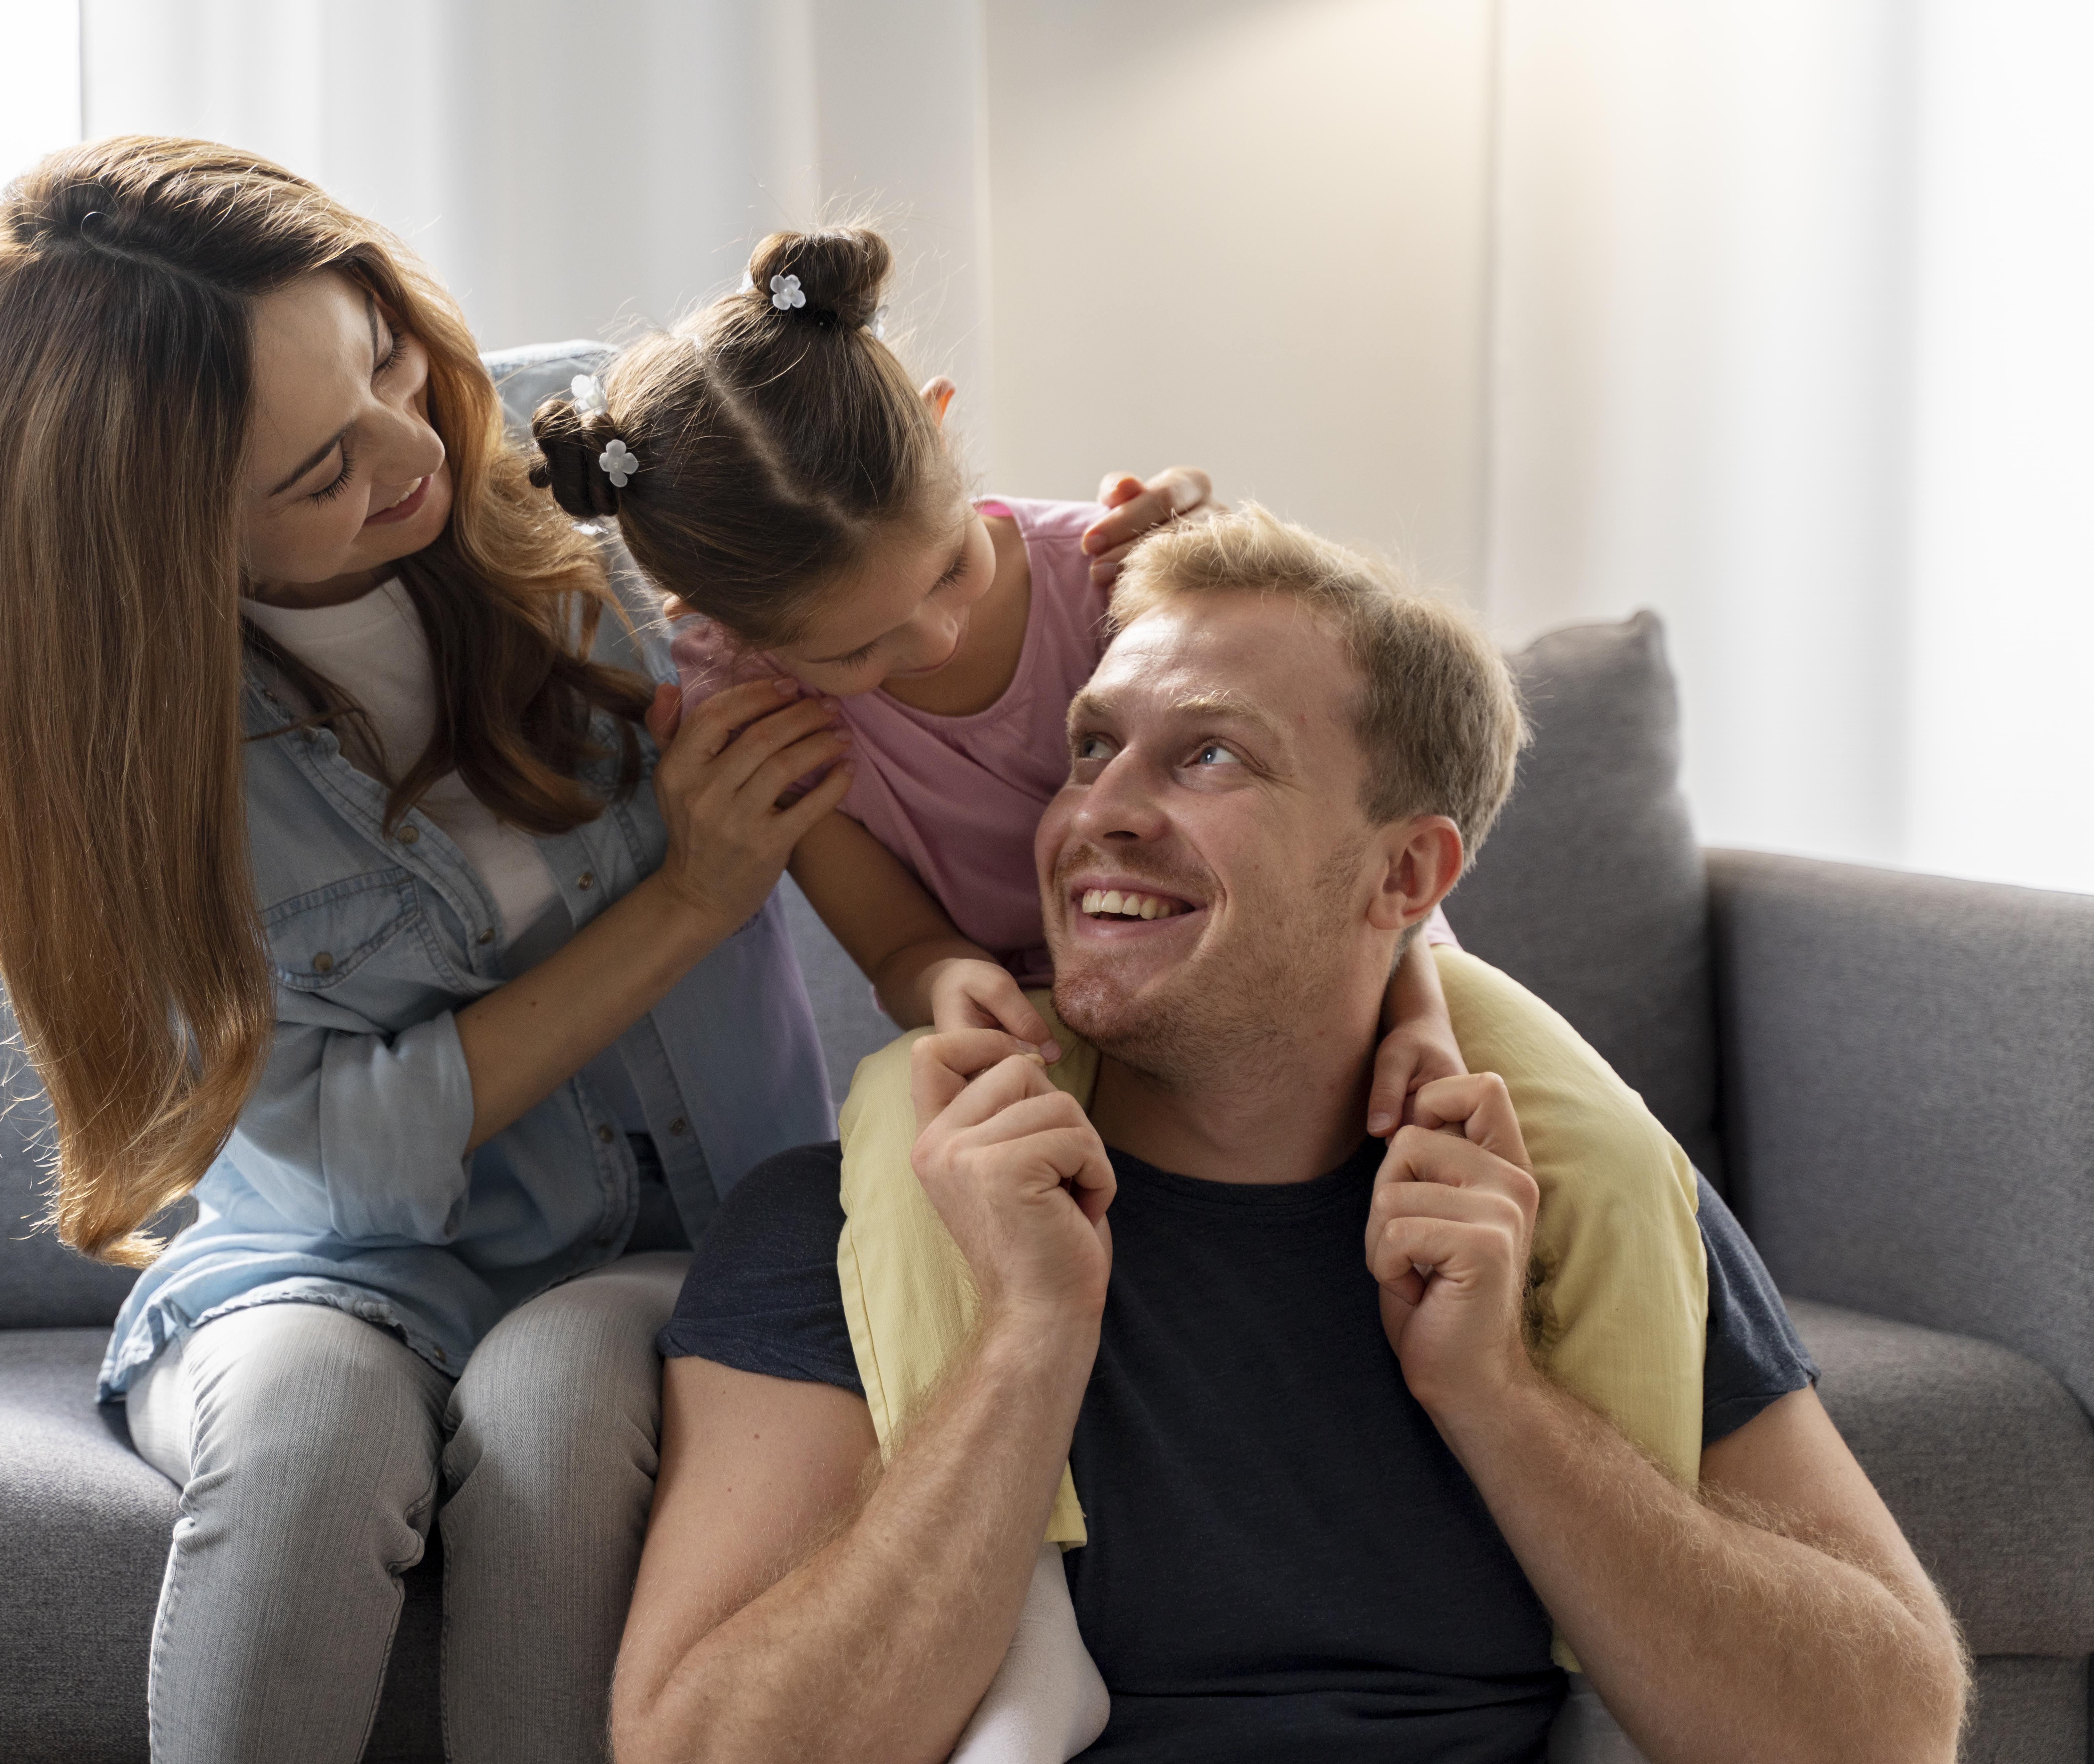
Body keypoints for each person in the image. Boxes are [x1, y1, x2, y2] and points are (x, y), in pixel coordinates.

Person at [0, 139, 1213, 1761]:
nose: (410, 450)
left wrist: (1170, 584)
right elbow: (329, 1159)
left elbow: (898, 545)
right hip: (325, 1258)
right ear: (166, 539)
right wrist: (686, 899)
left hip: (667, 1230)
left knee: (553, 1406)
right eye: (319, 472)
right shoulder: (129, 747)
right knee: (312, 1432)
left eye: (387, 354)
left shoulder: (590, 471)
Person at [528, 225, 1711, 1757]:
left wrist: (1412, 1013)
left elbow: (1339, 775)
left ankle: (1620, 1606)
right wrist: (960, 990)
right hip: (1038, 997)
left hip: (1363, 958)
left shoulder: (1099, 568)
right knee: (902, 1132)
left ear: (948, 433)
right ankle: (1013, 1598)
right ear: (742, 640)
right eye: (866, 652)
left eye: (947, 574)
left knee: (1606, 1151)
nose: (934, 638)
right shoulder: (754, 703)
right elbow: (898, 946)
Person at [612, 510, 1969, 1763]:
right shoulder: (846, 1223)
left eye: (1208, 754)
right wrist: (1028, 1340)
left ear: (1405, 875)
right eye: (1089, 746)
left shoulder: (1573, 1211)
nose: (1096, 813)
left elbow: (1884, 1733)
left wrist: (1494, 1394)